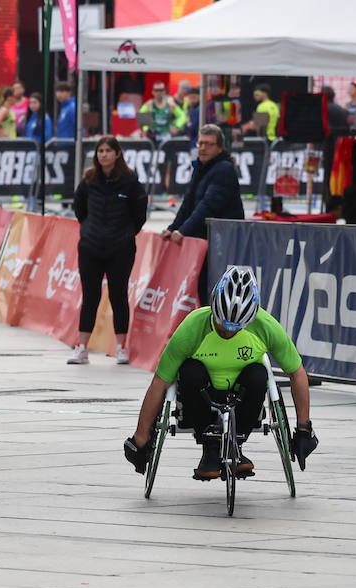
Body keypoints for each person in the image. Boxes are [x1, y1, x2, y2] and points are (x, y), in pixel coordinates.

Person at [123, 267, 317, 480]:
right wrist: (141, 436)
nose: (228, 332)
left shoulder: (265, 326)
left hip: (244, 395)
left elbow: (297, 373)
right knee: (189, 370)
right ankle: (210, 448)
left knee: (259, 373)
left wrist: (304, 428)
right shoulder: (193, 326)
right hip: (201, 395)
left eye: (236, 328)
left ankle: (237, 444)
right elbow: (160, 383)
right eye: (222, 325)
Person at [68, 136, 147, 366]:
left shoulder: (130, 181)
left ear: (117, 153)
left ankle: (121, 347)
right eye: (100, 150)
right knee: (90, 297)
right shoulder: (89, 179)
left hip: (120, 248)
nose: (103, 154)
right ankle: (81, 347)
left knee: (118, 296)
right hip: (91, 246)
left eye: (108, 150)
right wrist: (89, 230)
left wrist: (127, 232)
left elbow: (140, 212)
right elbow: (79, 208)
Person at [162, 124, 245, 305]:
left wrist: (182, 231)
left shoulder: (224, 169)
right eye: (200, 143)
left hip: (222, 244)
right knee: (201, 290)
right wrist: (173, 228)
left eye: (208, 144)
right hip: (205, 242)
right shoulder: (201, 167)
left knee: (214, 292)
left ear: (220, 148)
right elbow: (188, 203)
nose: (202, 148)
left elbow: (207, 206)